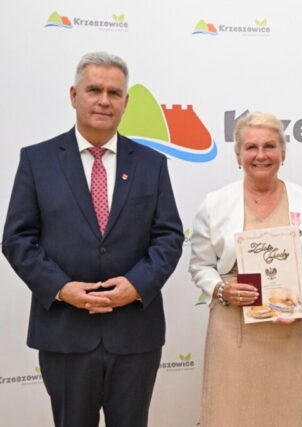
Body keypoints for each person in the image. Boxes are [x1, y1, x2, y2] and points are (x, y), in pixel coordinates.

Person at [1, 52, 184, 426]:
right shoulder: (37, 160)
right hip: (65, 333)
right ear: (74, 95)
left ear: (125, 102)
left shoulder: (151, 163)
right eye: (94, 90)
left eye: (114, 93)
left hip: (135, 334)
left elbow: (168, 236)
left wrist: (136, 285)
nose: (104, 100)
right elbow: (17, 239)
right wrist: (61, 288)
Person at [188, 111, 302, 427]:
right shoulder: (215, 203)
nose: (261, 155)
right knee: (229, 415)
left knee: (287, 415)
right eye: (251, 147)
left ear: (283, 153)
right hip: (233, 329)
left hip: (291, 329)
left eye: (269, 146)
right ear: (238, 155)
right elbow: (200, 265)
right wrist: (221, 289)